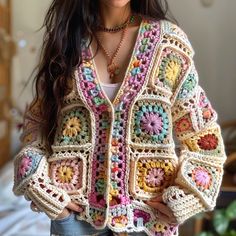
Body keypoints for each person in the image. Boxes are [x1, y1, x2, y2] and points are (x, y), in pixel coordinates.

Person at [12, 0, 227, 235]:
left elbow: (205, 141)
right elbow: (36, 127)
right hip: (75, 220)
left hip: (147, 222)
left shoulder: (168, 44)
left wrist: (189, 197)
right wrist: (37, 182)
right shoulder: (66, 41)